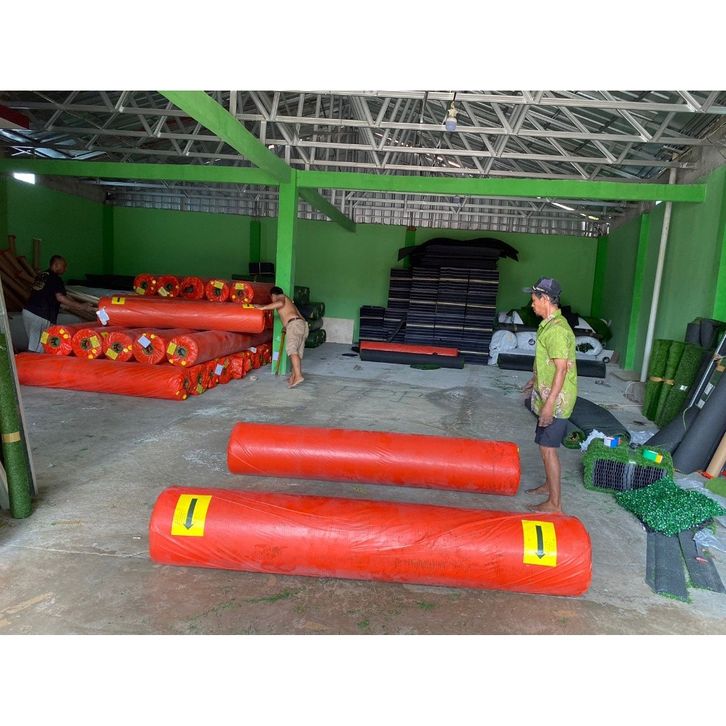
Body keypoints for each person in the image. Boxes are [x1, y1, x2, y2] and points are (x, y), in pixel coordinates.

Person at [521, 277, 577, 513]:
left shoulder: (556, 330)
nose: (532, 304)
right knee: (544, 445)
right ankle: (548, 485)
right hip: (547, 395)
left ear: (544, 298)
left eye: (534, 299)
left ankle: (555, 504)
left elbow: (561, 369)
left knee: (548, 449)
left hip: (556, 401)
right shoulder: (548, 325)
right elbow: (549, 363)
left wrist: (549, 405)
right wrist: (535, 379)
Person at [22, 255, 96, 352]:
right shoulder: (55, 278)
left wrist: (66, 305)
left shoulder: (42, 275)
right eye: (64, 266)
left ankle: (32, 359)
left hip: (28, 312)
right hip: (40, 315)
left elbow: (45, 295)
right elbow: (60, 297)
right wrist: (81, 306)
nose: (65, 269)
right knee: (39, 347)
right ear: (56, 265)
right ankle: (30, 361)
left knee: (36, 344)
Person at [254, 286, 309, 388]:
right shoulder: (290, 303)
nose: (272, 299)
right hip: (301, 325)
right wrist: (287, 326)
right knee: (297, 353)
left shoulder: (281, 296)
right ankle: (294, 376)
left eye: (271, 297)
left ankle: (298, 376)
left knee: (292, 350)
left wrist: (263, 307)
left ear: (273, 295)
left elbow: (280, 303)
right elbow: (299, 316)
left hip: (294, 325)